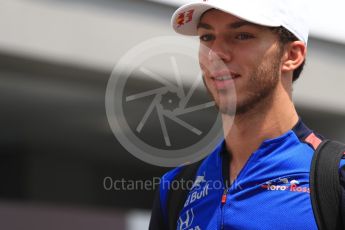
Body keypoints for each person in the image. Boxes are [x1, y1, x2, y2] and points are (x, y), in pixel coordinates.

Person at [149, 0, 345, 229]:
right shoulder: (176, 188)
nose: (216, 54)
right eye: (206, 37)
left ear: (292, 55)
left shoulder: (335, 176)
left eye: (242, 35)